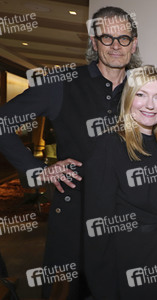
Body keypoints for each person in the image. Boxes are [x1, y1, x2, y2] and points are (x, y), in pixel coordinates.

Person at [0, 6, 140, 298]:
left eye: (123, 38)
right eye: (106, 38)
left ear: (134, 43)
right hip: (74, 218)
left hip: (126, 218)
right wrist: (37, 169)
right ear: (93, 42)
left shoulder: (143, 89)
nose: (116, 46)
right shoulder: (60, 83)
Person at [83, 65, 157, 299]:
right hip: (128, 264)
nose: (150, 105)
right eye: (141, 94)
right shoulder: (110, 145)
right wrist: (105, 288)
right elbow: (98, 226)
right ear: (128, 98)